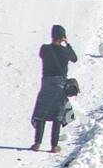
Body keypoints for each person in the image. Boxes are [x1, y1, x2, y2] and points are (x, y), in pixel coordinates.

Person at [30, 24, 77, 153]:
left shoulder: (44, 49)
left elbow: (41, 55)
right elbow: (74, 58)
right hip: (59, 84)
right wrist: (68, 44)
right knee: (58, 115)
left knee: (41, 113)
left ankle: (37, 143)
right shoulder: (65, 51)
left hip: (46, 83)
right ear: (62, 37)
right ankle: (54, 146)